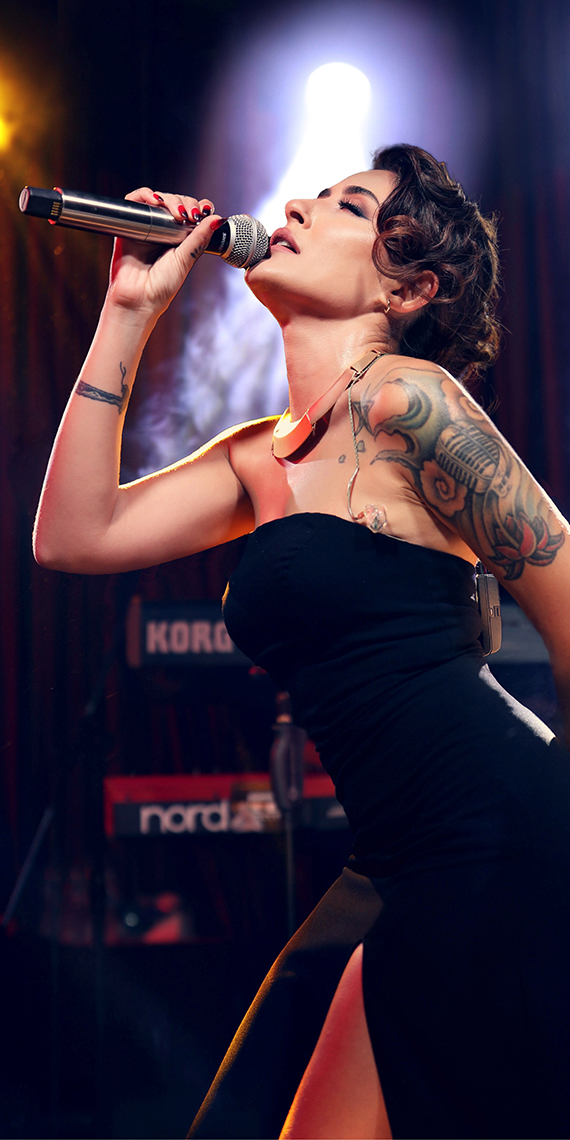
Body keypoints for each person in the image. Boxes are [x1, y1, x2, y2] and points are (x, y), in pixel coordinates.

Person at [34, 145, 570, 1140]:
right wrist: (128, 312)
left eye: (347, 206)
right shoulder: (259, 455)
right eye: (316, 193)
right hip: (397, 861)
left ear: (410, 288)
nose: (297, 207)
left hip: (502, 843)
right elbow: (73, 535)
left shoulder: (408, 401)